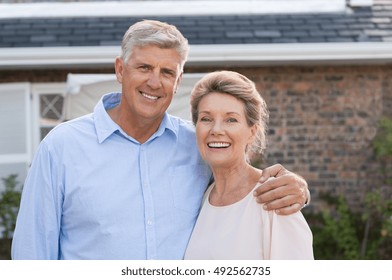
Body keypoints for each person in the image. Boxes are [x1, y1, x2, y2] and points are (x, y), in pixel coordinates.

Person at [12, 20, 310, 260]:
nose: (154, 82)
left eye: (167, 72)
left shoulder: (194, 145)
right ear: (120, 69)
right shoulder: (62, 146)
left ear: (178, 81)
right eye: (144, 68)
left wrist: (298, 188)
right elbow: (31, 254)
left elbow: (238, 179)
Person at [184, 71, 314, 259]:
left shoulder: (275, 199)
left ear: (252, 132)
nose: (216, 130)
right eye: (206, 118)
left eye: (231, 120)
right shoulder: (202, 197)